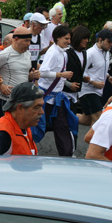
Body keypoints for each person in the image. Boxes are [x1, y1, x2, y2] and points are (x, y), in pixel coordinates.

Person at [33, 25, 78, 156]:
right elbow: (43, 72)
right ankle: (26, 150)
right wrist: (60, 75)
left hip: (57, 97)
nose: (69, 42)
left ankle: (67, 155)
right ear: (57, 38)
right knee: (38, 126)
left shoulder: (63, 52)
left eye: (69, 39)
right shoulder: (53, 53)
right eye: (66, 38)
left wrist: (65, 80)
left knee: (62, 126)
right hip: (46, 96)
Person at [0, 82, 43, 156]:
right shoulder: (2, 133)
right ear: (20, 108)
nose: (41, 112)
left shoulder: (23, 125)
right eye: (36, 107)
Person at [0, 26, 36, 122]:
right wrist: (0, 85)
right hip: (4, 100)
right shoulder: (4, 55)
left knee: (18, 132)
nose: (29, 44)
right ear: (16, 39)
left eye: (30, 41)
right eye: (26, 41)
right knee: (3, 133)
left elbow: (22, 74)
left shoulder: (28, 54)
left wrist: (31, 77)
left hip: (21, 100)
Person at [78, 29, 112, 125]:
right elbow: (81, 71)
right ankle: (95, 140)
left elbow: (98, 69)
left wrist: (108, 76)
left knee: (86, 120)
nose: (111, 44)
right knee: (99, 120)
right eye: (108, 42)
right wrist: (93, 82)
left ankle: (66, 116)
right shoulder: (90, 53)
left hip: (98, 91)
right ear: (100, 40)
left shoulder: (107, 52)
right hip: (88, 91)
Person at [62, 25, 91, 121]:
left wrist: (83, 78)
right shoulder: (66, 53)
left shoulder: (84, 53)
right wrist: (69, 84)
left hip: (75, 94)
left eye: (88, 38)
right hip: (64, 93)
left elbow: (78, 70)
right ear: (78, 38)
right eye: (84, 38)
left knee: (71, 122)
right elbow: (59, 73)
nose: (87, 41)